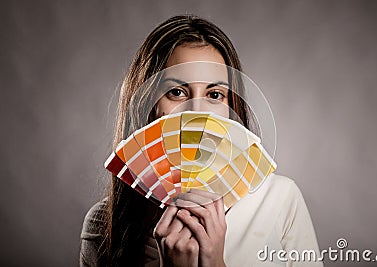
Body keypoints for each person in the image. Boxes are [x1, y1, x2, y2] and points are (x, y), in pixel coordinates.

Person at [80, 15, 323, 267]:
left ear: (232, 107)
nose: (196, 113)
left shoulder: (280, 199)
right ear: (148, 104)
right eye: (177, 92)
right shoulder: (104, 223)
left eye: (215, 94)